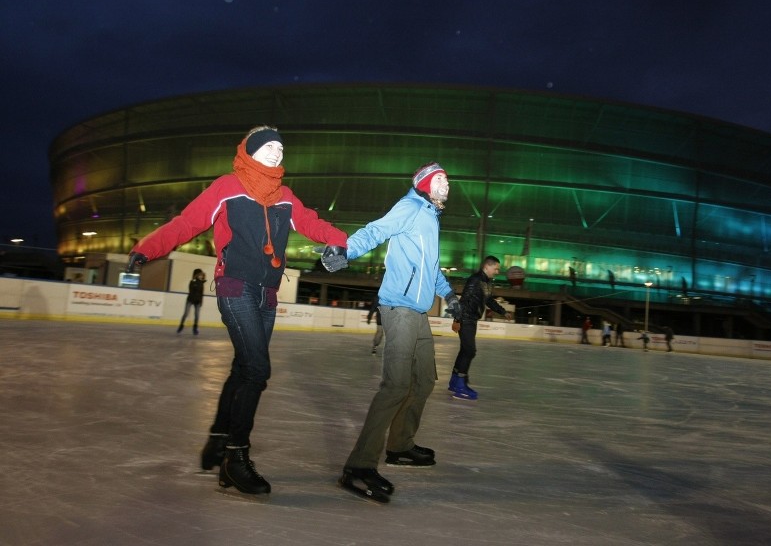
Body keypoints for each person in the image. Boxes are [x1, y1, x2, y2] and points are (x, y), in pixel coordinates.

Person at [126, 125, 347, 495]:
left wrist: (338, 242)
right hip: (235, 286)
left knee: (244, 367)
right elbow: (187, 223)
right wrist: (148, 247)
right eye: (269, 146)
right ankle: (235, 457)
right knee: (258, 368)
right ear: (250, 151)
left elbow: (312, 223)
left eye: (281, 147)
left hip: (268, 293)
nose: (277, 152)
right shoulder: (226, 188)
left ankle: (217, 438)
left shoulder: (285, 196)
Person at [325, 161, 460, 504]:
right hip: (398, 307)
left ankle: (400, 445)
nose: (447, 184)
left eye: (448, 179)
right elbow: (375, 230)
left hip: (418, 312)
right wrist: (346, 250)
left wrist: (449, 295)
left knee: (426, 378)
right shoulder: (411, 206)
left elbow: (430, 267)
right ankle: (359, 466)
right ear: (426, 183)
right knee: (396, 385)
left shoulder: (430, 216)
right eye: (441, 179)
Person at [448, 255, 513, 400]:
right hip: (466, 319)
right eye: (496, 268)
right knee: (470, 351)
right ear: (487, 266)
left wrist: (503, 312)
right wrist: (457, 319)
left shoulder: (487, 283)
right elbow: (464, 300)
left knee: (465, 350)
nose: (497, 271)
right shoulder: (475, 280)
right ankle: (460, 385)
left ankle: (454, 381)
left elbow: (489, 300)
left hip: (472, 320)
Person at [177, 268, 206, 335]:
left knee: (197, 315)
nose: (201, 276)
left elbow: (201, 293)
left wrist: (201, 301)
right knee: (186, 314)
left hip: (198, 301)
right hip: (190, 300)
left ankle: (195, 328)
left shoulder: (202, 283)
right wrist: (194, 300)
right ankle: (181, 325)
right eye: (200, 275)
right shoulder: (192, 282)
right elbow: (191, 292)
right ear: (196, 275)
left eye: (201, 275)